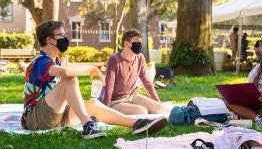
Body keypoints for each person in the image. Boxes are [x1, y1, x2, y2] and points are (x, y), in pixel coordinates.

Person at [21, 20, 167, 139]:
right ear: (48, 39)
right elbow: (66, 73)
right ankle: (88, 125)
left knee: (93, 104)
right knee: (70, 79)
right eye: (61, 35)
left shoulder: (56, 61)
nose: (65, 38)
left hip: (56, 116)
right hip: (35, 118)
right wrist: (91, 68)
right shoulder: (40, 61)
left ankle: (137, 124)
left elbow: (63, 76)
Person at [99, 28, 166, 115]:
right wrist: (106, 109)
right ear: (126, 43)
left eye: (140, 41)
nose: (139, 44)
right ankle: (120, 109)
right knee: (141, 111)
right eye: (136, 41)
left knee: (160, 109)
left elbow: (147, 81)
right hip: (116, 101)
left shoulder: (140, 57)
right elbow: (109, 86)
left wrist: (157, 101)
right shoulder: (114, 59)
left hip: (132, 96)